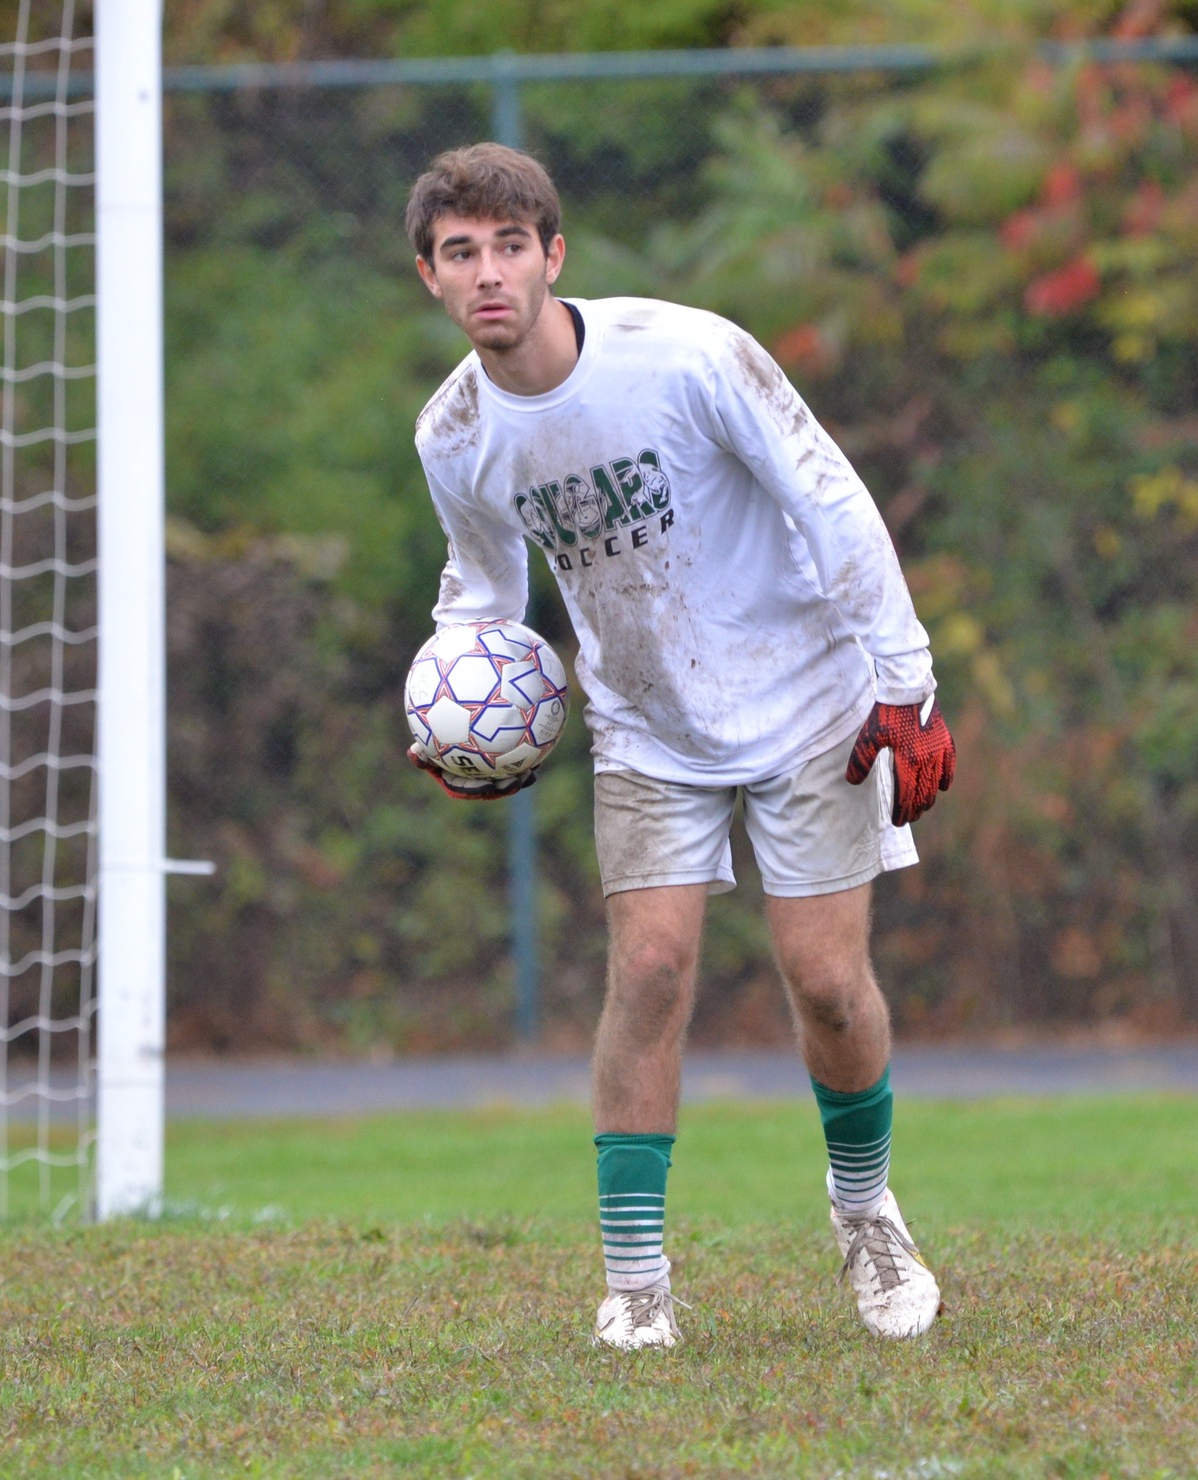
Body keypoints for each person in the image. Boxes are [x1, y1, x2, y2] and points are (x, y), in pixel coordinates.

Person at [405, 143, 956, 1351]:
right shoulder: (453, 433)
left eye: (510, 246)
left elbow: (832, 496)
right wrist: (448, 707)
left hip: (816, 699)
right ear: (431, 276)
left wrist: (906, 685)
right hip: (646, 723)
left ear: (554, 256)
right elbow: (484, 595)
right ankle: (637, 1283)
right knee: (648, 971)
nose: (489, 272)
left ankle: (864, 1214)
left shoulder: (692, 355)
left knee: (827, 982)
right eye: (461, 252)